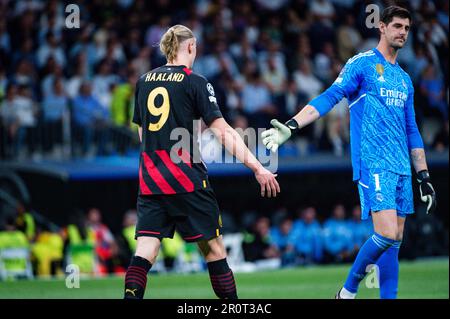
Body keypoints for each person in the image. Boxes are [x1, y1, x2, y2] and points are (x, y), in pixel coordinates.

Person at [261, 6, 437, 299]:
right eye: (396, 26)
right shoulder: (362, 64)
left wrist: (424, 175)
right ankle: (347, 291)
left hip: (402, 167)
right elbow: (330, 96)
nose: (402, 32)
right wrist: (292, 125)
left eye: (406, 28)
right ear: (381, 27)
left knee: (395, 240)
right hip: (373, 161)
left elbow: (412, 130)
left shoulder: (405, 79)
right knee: (385, 234)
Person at [124, 24, 280, 299]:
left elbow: (141, 132)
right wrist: (257, 167)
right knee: (214, 251)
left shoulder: (144, 80)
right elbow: (223, 132)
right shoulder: (196, 81)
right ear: (191, 47)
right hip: (186, 177)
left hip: (150, 178)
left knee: (146, 249)